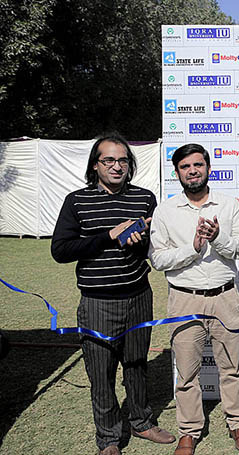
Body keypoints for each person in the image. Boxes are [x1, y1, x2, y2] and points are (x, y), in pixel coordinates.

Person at [51, 133, 175, 455]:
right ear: (96, 165)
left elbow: (154, 248)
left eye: (122, 160)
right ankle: (108, 438)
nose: (117, 166)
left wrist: (141, 241)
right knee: (101, 372)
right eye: (109, 160)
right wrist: (109, 236)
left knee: (136, 364)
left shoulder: (145, 199)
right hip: (97, 302)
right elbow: (61, 250)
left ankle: (142, 422)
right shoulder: (77, 201)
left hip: (138, 296)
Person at [149, 144, 239, 455]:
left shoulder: (230, 205)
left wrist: (217, 238)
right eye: (185, 167)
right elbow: (158, 259)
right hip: (184, 300)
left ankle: (238, 423)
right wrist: (193, 247)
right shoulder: (165, 210)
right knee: (186, 372)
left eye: (197, 165)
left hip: (225, 297)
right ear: (177, 172)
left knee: (231, 367)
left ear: (208, 168)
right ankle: (189, 431)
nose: (192, 171)